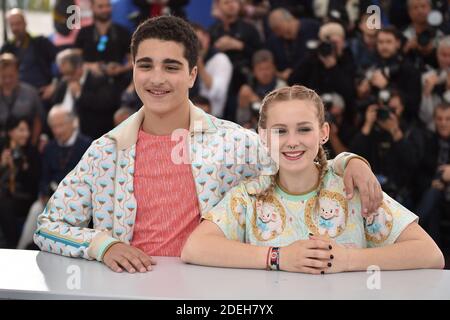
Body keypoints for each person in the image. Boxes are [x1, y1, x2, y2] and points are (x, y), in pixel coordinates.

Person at [34, 16, 382, 274]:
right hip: (128, 291)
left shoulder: (233, 142)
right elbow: (48, 227)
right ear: (133, 71)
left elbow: (297, 156)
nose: (156, 78)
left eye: (171, 66)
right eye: (146, 65)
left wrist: (349, 161)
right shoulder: (105, 151)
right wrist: (102, 245)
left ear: (192, 75)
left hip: (215, 295)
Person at [181, 85, 445, 273]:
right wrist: (279, 257)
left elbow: (430, 254)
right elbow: (195, 248)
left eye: (304, 129)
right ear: (263, 136)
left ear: (324, 133)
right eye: (280, 131)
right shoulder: (249, 195)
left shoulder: (352, 188)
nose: (292, 142)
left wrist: (348, 260)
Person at [16, 107, 92, 250]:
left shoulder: (87, 145)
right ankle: (20, 251)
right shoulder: (50, 147)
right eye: (54, 127)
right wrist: (43, 193)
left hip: (77, 199)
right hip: (51, 197)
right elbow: (44, 176)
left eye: (61, 125)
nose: (57, 131)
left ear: (72, 123)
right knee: (35, 209)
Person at [0, 117, 40, 248]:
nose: (26, 134)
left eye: (27, 130)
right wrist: (2, 165)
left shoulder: (32, 152)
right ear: (11, 132)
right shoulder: (3, 148)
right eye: (21, 130)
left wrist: (24, 168)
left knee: (5, 204)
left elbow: (34, 185)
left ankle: (13, 246)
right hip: (5, 194)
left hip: (23, 197)